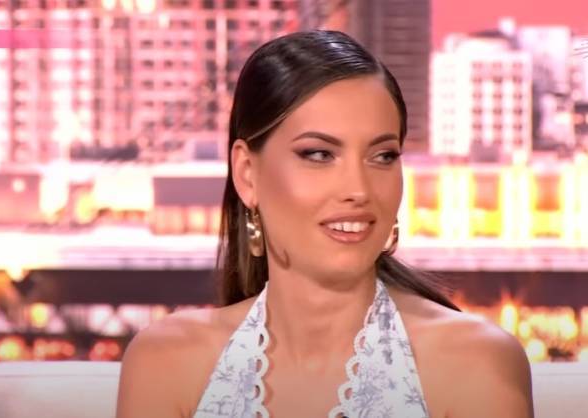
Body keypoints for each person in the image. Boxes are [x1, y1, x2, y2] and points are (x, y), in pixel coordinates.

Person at [116, 30, 533, 418]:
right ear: (247, 174)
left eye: (383, 156)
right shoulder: (167, 362)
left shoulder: (474, 363)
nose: (358, 189)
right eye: (318, 154)